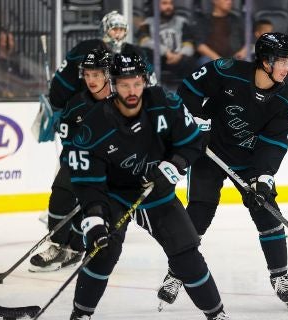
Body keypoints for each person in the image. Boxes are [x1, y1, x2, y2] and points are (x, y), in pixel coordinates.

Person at [67, 51, 230, 320]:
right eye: (124, 84)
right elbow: (86, 179)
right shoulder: (94, 124)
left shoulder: (165, 103)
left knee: (187, 255)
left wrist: (173, 165)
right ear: (113, 84)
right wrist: (94, 215)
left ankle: (217, 314)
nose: (131, 90)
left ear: (145, 81)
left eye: (136, 83)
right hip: (114, 195)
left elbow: (193, 142)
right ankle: (81, 315)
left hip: (157, 192)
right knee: (102, 253)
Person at [157, 32, 288, 310]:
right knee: (198, 213)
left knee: (267, 210)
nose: (286, 68)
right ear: (265, 61)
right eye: (281, 61)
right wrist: (194, 122)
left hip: (249, 161)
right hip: (209, 153)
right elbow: (187, 92)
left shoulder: (286, 102)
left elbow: (274, 144)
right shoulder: (226, 71)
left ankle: (280, 275)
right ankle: (176, 273)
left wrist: (263, 179)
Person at [34, 10, 155, 269]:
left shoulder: (126, 90)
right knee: (64, 188)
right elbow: (64, 86)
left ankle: (76, 246)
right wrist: (57, 108)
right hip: (82, 145)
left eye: (122, 29)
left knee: (96, 201)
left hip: (113, 159)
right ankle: (57, 242)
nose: (118, 34)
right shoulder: (81, 90)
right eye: (114, 29)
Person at [29, 49, 113, 272]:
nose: (91, 80)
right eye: (87, 75)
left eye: (96, 75)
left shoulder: (121, 102)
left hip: (113, 166)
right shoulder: (76, 104)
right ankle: (57, 245)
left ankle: (74, 248)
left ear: (107, 74)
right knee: (61, 194)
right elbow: (69, 144)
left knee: (91, 208)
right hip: (80, 161)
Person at [137, 0, 197, 79]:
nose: (169, 7)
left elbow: (189, 44)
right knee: (145, 54)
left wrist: (179, 55)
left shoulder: (182, 22)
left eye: (171, 3)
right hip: (158, 59)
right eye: (164, 3)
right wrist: (165, 52)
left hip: (179, 58)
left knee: (191, 61)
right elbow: (144, 42)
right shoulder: (147, 23)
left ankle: (187, 89)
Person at [193, 0, 247, 65]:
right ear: (215, 1)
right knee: (205, 61)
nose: (229, 2)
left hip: (235, 59)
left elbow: (249, 40)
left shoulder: (237, 20)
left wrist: (244, 51)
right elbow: (200, 46)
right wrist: (221, 61)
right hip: (212, 60)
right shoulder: (203, 21)